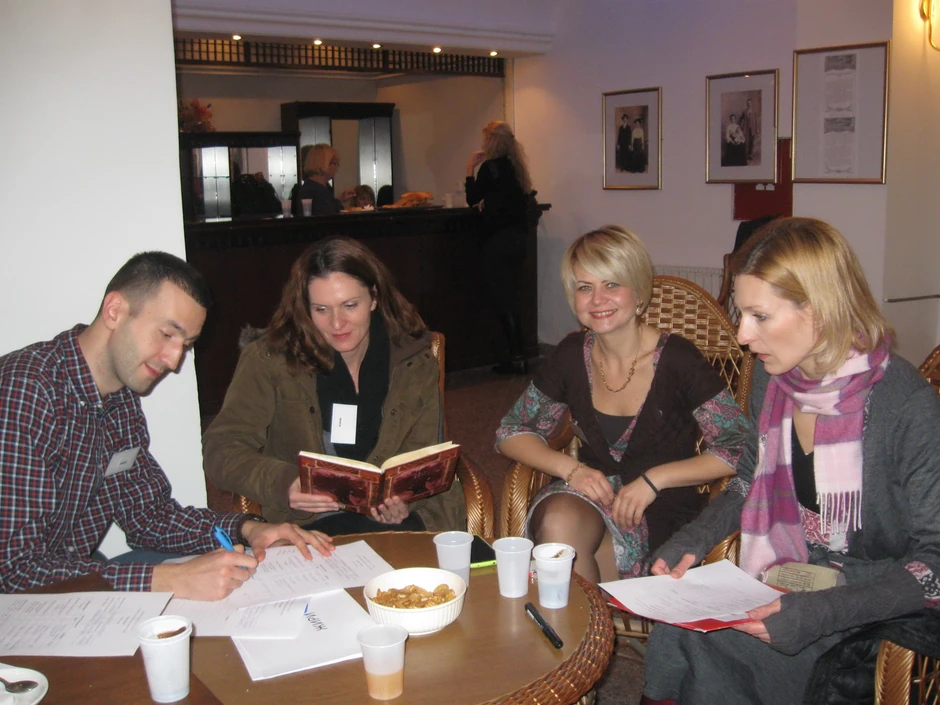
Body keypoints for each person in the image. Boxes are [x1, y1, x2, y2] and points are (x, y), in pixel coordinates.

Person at [642, 217, 940, 704]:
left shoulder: (904, 405)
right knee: (677, 630)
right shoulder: (774, 378)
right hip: (792, 576)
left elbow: (935, 563)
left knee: (712, 649)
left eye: (760, 316)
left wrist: (820, 613)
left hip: (871, 607)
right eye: (742, 314)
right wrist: (694, 539)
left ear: (820, 310)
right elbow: (748, 479)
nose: (742, 336)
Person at [0, 252, 334, 599]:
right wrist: (169, 579)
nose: (174, 361)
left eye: (185, 345)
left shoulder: (119, 401)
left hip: (72, 575)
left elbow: (148, 517)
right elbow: (12, 570)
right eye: (166, 334)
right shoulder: (24, 392)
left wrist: (246, 528)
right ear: (114, 310)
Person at [496, 226, 751, 583]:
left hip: (661, 508)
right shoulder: (571, 355)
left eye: (612, 284)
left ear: (639, 291)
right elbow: (510, 432)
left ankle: (587, 615)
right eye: (585, 287)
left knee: (577, 569)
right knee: (558, 524)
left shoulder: (678, 360)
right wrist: (571, 469)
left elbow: (740, 448)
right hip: (589, 500)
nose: (597, 300)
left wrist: (655, 479)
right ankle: (586, 618)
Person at [203, 237, 467, 535]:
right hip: (310, 522)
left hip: (404, 520)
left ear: (374, 298)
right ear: (305, 308)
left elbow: (425, 454)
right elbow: (221, 449)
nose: (337, 323)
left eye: (350, 305)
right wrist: (284, 482)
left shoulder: (413, 360)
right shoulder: (270, 359)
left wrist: (405, 500)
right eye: (321, 309)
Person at [465, 120, 534, 375]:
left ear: (491, 141)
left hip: (497, 242)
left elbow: (472, 198)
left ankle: (515, 357)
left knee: (502, 299)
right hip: (518, 239)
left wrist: (470, 169)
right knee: (512, 297)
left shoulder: (490, 167)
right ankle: (518, 355)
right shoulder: (516, 168)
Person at [290, 143, 356, 217]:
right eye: (335, 164)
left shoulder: (312, 188)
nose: (336, 168)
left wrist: (340, 200)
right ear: (324, 164)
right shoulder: (317, 192)